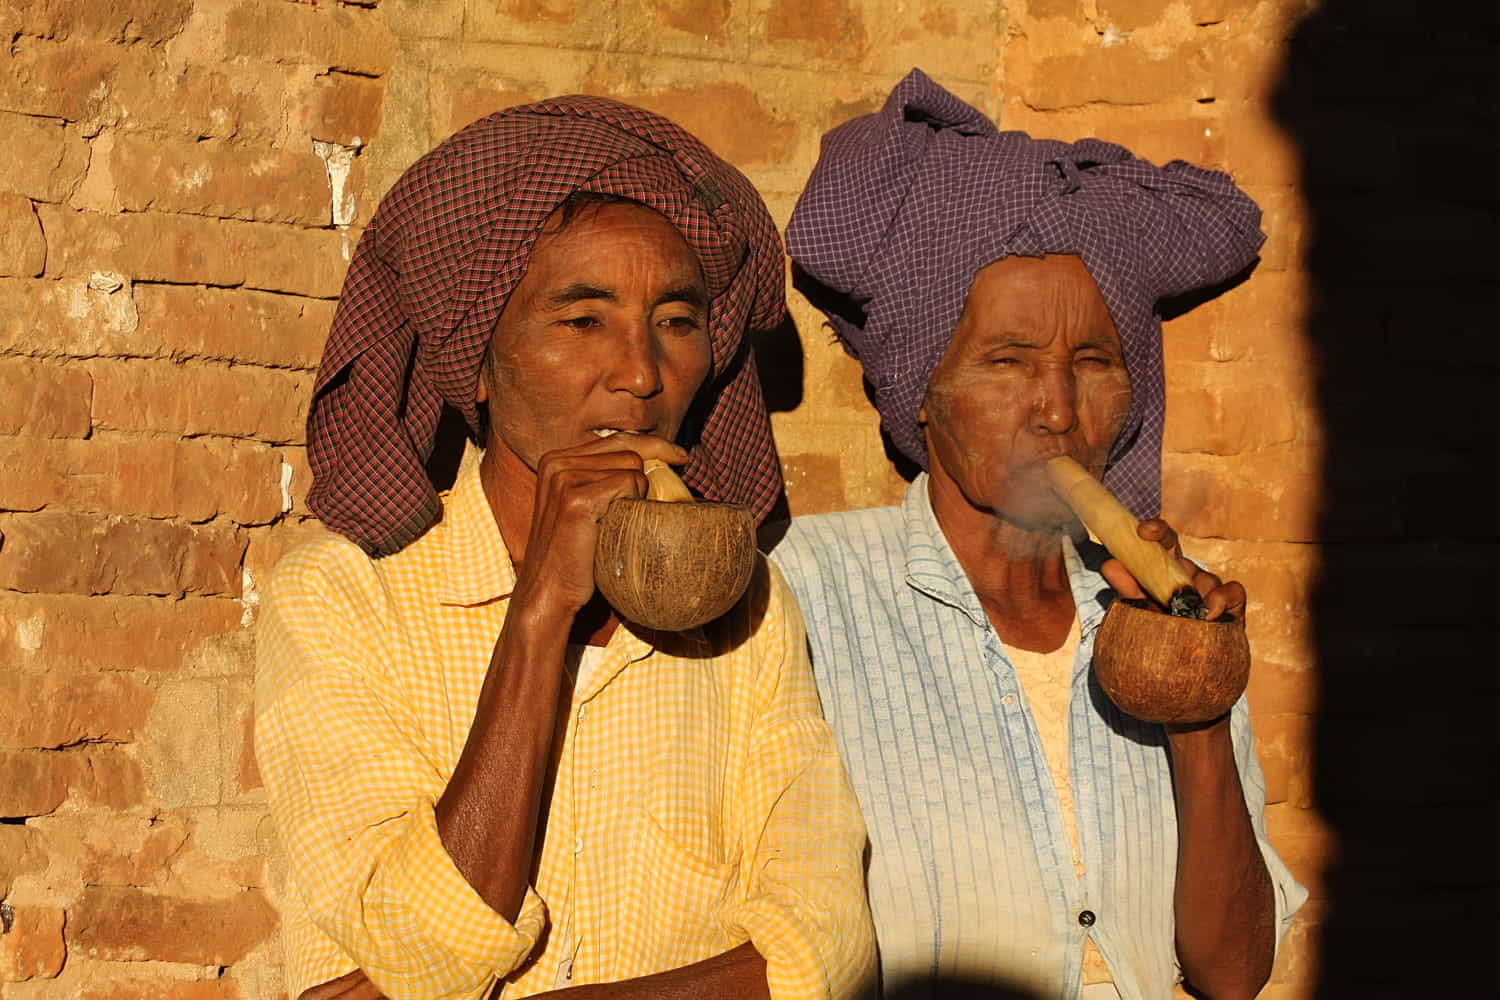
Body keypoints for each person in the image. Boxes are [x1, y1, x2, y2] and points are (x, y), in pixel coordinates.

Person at [254, 96, 875, 1000]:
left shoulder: (745, 606)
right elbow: (422, 952)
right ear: (472, 358)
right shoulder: (343, 599)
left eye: (676, 320)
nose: (640, 372)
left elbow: (826, 946)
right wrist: (540, 609)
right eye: (583, 321)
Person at [771, 70, 1307, 1000]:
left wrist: (1199, 710)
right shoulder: (806, 592)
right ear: (921, 393)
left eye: (1094, 363)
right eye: (1007, 362)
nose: (1058, 411)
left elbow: (1233, 972)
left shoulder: (1160, 608)